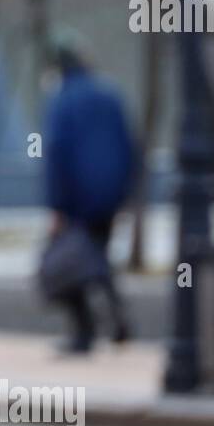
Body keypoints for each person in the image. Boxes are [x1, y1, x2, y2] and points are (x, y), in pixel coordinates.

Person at [41, 31, 138, 354]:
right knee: (96, 258)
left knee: (69, 263)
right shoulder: (110, 94)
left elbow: (57, 153)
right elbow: (129, 144)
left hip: (77, 200)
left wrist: (57, 206)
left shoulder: (62, 100)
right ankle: (119, 320)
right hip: (109, 195)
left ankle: (84, 333)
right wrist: (126, 190)